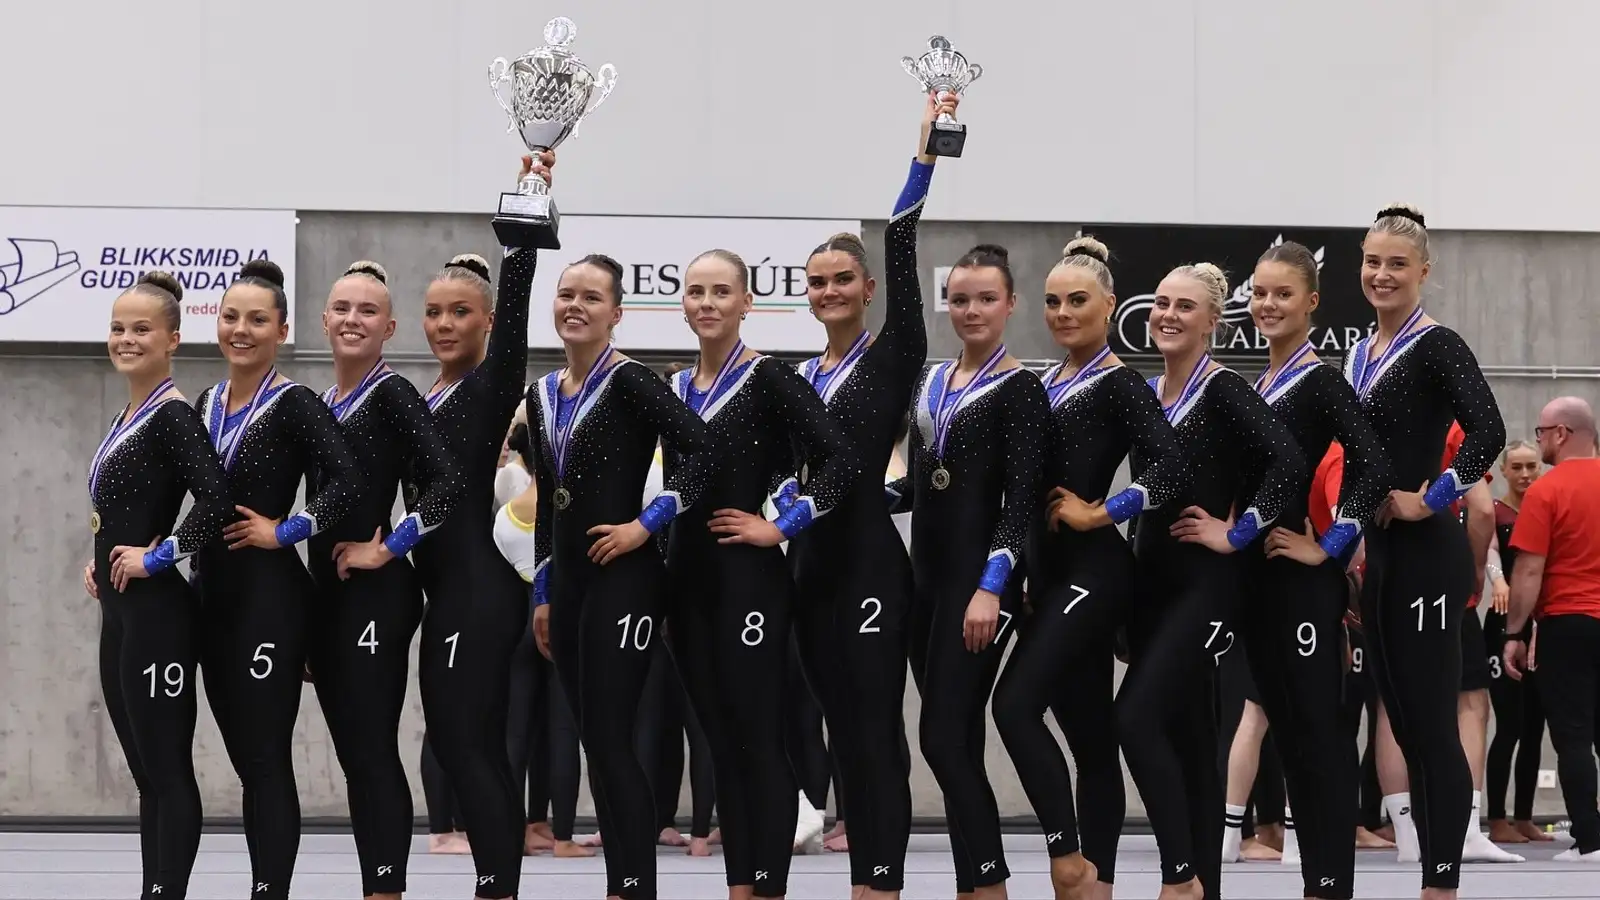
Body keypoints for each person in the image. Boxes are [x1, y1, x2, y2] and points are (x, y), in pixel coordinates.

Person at [785, 89, 954, 900]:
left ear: (869, 288)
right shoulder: (795, 377)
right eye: (817, 282)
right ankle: (864, 872)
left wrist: (923, 156)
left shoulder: (893, 355)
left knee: (875, 728)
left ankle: (881, 881)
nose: (829, 291)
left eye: (842, 280)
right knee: (838, 736)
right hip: (809, 570)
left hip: (872, 572)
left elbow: (901, 236)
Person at [991, 235, 1187, 900]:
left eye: (1077, 301)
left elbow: (1170, 466)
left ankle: (1068, 857)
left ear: (1109, 306)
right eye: (1052, 302)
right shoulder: (1040, 383)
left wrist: (1104, 512)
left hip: (1095, 575)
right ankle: (1094, 887)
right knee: (1091, 740)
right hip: (1047, 579)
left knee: (1014, 706)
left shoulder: (1121, 383)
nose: (1063, 313)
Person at [660, 248, 857, 899]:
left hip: (749, 581)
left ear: (747, 303)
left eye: (721, 291)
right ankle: (740, 886)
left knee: (757, 741)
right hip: (687, 585)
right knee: (720, 744)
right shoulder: (673, 389)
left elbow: (839, 461)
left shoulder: (771, 379)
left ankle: (769, 888)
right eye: (696, 291)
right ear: (682, 303)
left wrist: (781, 527)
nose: (707, 303)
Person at [525, 253, 720, 900]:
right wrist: (545, 592)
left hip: (626, 580)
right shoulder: (541, 394)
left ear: (616, 312)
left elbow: (704, 453)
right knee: (594, 744)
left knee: (611, 742)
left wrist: (646, 524)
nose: (575, 306)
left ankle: (635, 887)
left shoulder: (633, 381)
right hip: (572, 586)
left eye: (591, 297)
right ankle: (620, 884)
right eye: (566, 294)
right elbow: (549, 502)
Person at [1123, 262, 1306, 900]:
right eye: (1161, 303)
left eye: (1184, 306)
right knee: (1192, 738)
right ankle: (1204, 884)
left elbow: (1290, 461)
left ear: (1212, 323)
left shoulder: (1224, 389)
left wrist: (1238, 531)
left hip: (1207, 586)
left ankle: (1180, 875)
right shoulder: (1146, 393)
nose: (1167, 315)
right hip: (1153, 583)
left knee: (1134, 718)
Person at [1342, 203, 1505, 897]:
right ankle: (1434, 871)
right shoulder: (1358, 353)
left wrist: (1430, 498)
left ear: (1424, 272)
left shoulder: (1437, 345)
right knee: (1404, 725)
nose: (1381, 274)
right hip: (1381, 556)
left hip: (1428, 556)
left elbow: (1488, 431)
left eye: (1397, 264)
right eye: (1372, 261)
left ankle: (1442, 882)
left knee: (1433, 724)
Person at [194, 259, 364, 900]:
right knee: (247, 761)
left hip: (270, 602)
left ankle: (270, 892)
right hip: (213, 598)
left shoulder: (294, 404)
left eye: (257, 320)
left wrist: (287, 529)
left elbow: (349, 482)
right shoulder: (206, 403)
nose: (241, 330)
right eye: (231, 317)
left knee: (266, 759)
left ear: (282, 330)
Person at [410, 152, 552, 900]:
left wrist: (531, 197)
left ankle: (496, 888)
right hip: (445, 598)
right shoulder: (422, 397)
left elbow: (519, 289)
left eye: (460, 312)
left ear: (488, 322)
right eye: (434, 312)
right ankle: (497, 886)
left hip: (479, 596)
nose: (444, 324)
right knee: (466, 748)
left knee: (470, 748)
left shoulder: (493, 385)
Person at [1235, 240, 1393, 897]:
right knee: (1287, 736)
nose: (1268, 304)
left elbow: (1375, 465)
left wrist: (1329, 545)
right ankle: (1315, 880)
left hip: (1303, 585)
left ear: (1312, 302)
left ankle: (1330, 884)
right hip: (1261, 584)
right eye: (1259, 293)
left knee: (1317, 735)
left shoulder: (1322, 380)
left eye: (1283, 294)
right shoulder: (1256, 384)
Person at [887, 243, 1046, 900]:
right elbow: (924, 483)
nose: (971, 310)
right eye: (959, 299)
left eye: (985, 298)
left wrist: (991, 586)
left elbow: (1022, 498)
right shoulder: (930, 382)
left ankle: (990, 881)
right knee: (957, 739)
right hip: (927, 584)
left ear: (1010, 304)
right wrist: (870, 497)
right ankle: (972, 884)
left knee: (942, 739)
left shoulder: (1021, 388)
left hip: (980, 587)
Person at [308, 259, 466, 898]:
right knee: (354, 754)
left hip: (377, 597)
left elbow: (451, 482)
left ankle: (386, 888)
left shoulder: (394, 394)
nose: (353, 320)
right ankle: (375, 883)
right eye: (343, 309)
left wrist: (392, 547)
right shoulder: (322, 403)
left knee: (371, 750)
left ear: (389, 328)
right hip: (331, 598)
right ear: (324, 320)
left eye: (368, 311)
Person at [86, 271, 231, 900]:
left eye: (141, 329)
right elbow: (123, 508)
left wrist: (162, 554)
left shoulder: (173, 415)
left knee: (167, 771)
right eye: (118, 328)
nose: (126, 338)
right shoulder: (128, 414)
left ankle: (166, 891)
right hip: (120, 615)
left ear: (172, 339)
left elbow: (217, 499)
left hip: (158, 618)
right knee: (147, 775)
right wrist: (99, 558)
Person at [1505, 396, 1600, 864]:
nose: (1539, 440)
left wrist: (1514, 633)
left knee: (1574, 737)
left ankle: (1591, 842)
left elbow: (1528, 571)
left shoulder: (1546, 491)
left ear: (1561, 434)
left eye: (1542, 432)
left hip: (1569, 622)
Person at [1482, 441, 1549, 844]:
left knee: (1535, 725)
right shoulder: (1495, 511)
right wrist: (1499, 580)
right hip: (1502, 624)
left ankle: (1524, 815)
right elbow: (1491, 551)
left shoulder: (1545, 510)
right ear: (1504, 471)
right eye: (1518, 467)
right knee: (1509, 724)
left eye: (1531, 467)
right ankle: (1496, 818)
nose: (1525, 475)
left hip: (1542, 625)